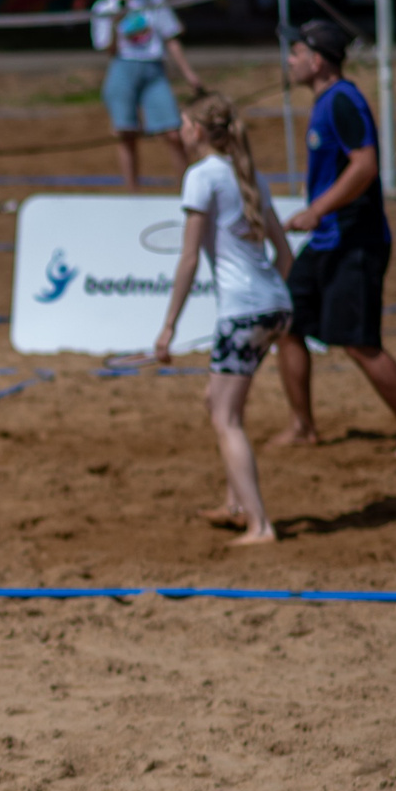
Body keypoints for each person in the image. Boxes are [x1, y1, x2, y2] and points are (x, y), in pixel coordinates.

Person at [273, 20, 396, 456]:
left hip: (355, 241)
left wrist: (315, 210)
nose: (288, 61)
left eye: (295, 53)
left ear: (318, 59)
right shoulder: (327, 101)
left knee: (359, 343)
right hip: (327, 240)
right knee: (288, 326)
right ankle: (303, 426)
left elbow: (365, 167)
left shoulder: (344, 101)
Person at [151, 94, 293, 545]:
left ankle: (260, 524)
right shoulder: (246, 172)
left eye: (183, 123)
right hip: (274, 302)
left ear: (196, 130)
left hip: (245, 309)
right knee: (218, 401)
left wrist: (168, 326)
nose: (179, 130)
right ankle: (236, 504)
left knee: (225, 417)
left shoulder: (201, 177)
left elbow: (189, 258)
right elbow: (284, 255)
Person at [90, 0, 198, 188]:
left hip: (153, 69)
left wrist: (188, 73)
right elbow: (107, 49)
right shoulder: (104, 7)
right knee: (126, 134)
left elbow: (171, 37)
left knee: (172, 132)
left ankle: (188, 190)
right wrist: (114, 24)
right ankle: (132, 192)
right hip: (122, 68)